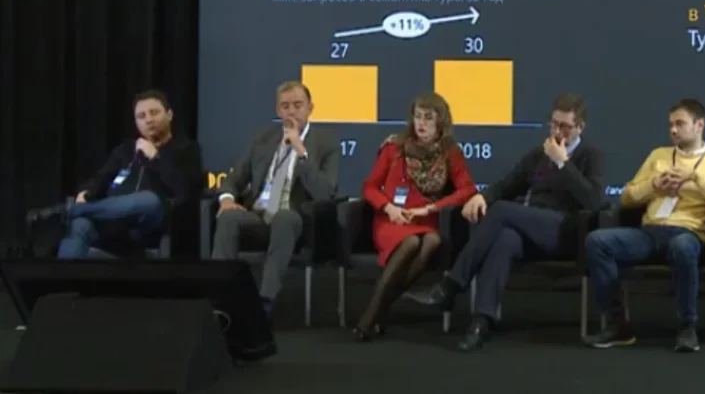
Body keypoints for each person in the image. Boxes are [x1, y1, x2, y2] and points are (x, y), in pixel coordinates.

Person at [406, 92, 605, 351]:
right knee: (504, 240)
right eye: (554, 124)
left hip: (563, 232)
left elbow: (593, 201)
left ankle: (450, 286)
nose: (558, 132)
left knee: (500, 211)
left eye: (565, 127)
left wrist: (563, 162)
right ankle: (481, 322)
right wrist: (481, 197)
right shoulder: (539, 154)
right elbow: (506, 185)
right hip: (528, 227)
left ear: (580, 127)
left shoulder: (590, 156)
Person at [582, 98, 705, 352]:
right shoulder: (658, 156)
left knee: (682, 247)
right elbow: (627, 197)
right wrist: (654, 185)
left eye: (680, 124)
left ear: (699, 125)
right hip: (650, 232)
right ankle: (617, 325)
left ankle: (687, 328)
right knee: (597, 241)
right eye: (670, 125)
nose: (673, 130)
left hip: (688, 232)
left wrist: (696, 177)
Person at [352, 92, 478, 341]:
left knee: (431, 240)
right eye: (418, 117)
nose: (421, 123)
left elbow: (467, 189)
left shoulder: (449, 152)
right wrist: (389, 208)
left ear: (440, 121)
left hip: (423, 220)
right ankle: (370, 318)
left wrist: (430, 208)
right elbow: (369, 187)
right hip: (391, 219)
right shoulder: (394, 148)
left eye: (428, 118)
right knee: (410, 242)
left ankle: (380, 310)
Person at [211, 80, 340, 319]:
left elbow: (325, 192)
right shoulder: (263, 137)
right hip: (258, 214)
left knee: (284, 218)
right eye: (285, 106)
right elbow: (234, 179)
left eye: (298, 105)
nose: (291, 112)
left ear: (310, 108)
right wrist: (227, 199)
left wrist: (301, 151)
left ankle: (264, 302)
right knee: (228, 217)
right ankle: (221, 299)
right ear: (278, 110)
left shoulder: (325, 143)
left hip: (296, 220)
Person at [26, 89, 203, 258]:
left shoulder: (186, 149)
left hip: (151, 225)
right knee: (80, 225)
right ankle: (65, 277)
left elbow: (185, 188)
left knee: (148, 199)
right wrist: (86, 192)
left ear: (169, 115)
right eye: (141, 116)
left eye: (154, 113)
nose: (148, 120)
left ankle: (66, 211)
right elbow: (101, 178)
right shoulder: (126, 150)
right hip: (114, 225)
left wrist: (155, 157)